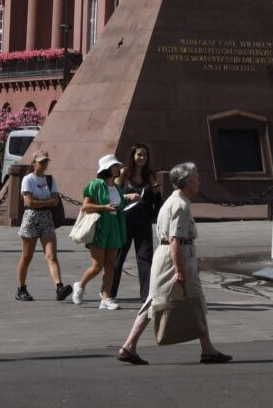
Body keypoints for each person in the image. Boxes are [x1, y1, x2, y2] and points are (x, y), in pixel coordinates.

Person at [116, 161, 231, 365]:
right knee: (162, 300)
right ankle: (129, 346)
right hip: (175, 257)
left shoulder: (175, 200)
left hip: (170, 254)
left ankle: (207, 349)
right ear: (186, 181)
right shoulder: (180, 205)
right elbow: (174, 239)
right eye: (196, 177)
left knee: (176, 299)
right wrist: (179, 270)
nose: (199, 181)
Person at [15, 151, 71, 302]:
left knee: (52, 255)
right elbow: (29, 202)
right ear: (33, 163)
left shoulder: (50, 180)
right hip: (31, 218)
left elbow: (55, 199)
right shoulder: (28, 179)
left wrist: (43, 201)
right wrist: (47, 202)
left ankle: (59, 287)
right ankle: (21, 288)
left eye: (46, 161)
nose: (44, 164)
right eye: (41, 162)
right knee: (27, 256)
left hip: (47, 218)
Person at [76, 154, 127, 309]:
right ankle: (80, 285)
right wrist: (104, 207)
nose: (118, 168)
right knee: (97, 266)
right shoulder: (96, 184)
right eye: (115, 166)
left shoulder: (117, 187)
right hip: (99, 226)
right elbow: (85, 206)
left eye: (118, 165)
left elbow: (118, 204)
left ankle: (106, 298)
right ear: (107, 168)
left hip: (114, 226)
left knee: (111, 264)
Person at [110, 144, 159, 302]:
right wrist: (128, 196)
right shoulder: (124, 173)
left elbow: (157, 198)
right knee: (118, 258)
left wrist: (155, 213)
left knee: (145, 258)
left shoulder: (150, 176)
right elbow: (114, 196)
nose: (142, 158)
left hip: (143, 221)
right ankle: (110, 293)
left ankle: (146, 296)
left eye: (145, 155)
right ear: (133, 156)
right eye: (139, 155)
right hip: (125, 220)